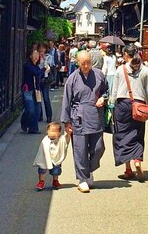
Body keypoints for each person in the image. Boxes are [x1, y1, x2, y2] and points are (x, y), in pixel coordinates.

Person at [61, 50, 108, 193]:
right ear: (78, 63)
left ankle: (89, 170)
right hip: (78, 117)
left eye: (88, 62)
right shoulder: (72, 78)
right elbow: (66, 101)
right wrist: (66, 122)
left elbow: (106, 90)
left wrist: (103, 98)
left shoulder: (99, 75)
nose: (87, 66)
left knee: (98, 147)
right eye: (83, 63)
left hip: (95, 115)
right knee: (80, 150)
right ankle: (82, 178)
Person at [110, 44, 148, 180]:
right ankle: (138, 161)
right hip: (139, 105)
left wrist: (111, 105)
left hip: (123, 105)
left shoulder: (120, 69)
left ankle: (128, 169)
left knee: (122, 135)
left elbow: (114, 91)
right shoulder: (145, 70)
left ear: (126, 55)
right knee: (138, 134)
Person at [33, 122, 71, 191]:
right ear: (47, 131)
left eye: (55, 131)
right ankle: (41, 181)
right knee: (42, 170)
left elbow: (66, 141)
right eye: (51, 131)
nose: (52, 133)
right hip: (45, 159)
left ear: (59, 133)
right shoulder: (45, 140)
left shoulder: (61, 139)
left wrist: (68, 134)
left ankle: (55, 181)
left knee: (55, 171)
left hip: (56, 159)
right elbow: (42, 149)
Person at [21, 49, 42, 134]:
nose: (36, 56)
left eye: (37, 54)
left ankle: (33, 128)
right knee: (30, 109)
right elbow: (36, 73)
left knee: (37, 110)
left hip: (36, 90)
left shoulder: (37, 66)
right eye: (34, 54)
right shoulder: (27, 65)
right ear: (30, 56)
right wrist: (44, 69)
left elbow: (39, 75)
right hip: (28, 90)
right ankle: (24, 121)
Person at [38, 43, 53, 122]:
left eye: (43, 48)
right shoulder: (36, 56)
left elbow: (49, 66)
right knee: (38, 98)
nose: (41, 50)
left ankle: (49, 116)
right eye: (40, 48)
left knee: (46, 98)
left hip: (46, 79)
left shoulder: (49, 57)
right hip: (38, 78)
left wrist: (43, 59)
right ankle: (40, 115)